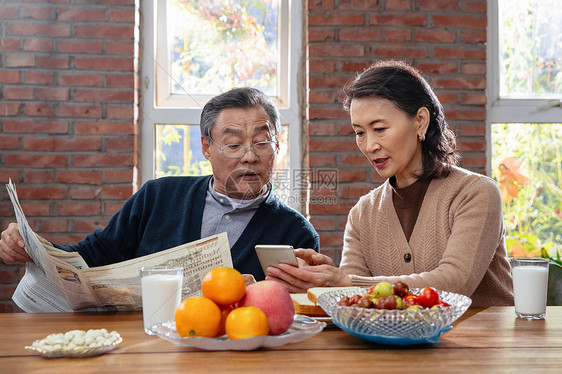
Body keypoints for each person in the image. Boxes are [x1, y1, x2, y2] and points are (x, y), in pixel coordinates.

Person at [0, 87, 320, 282]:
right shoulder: (158, 196)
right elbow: (95, 254)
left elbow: (291, 313)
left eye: (262, 142)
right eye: (233, 145)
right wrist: (36, 249)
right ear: (206, 147)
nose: (250, 156)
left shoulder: (297, 234)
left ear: (278, 147)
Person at [267, 60, 514, 307]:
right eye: (360, 133)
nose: (369, 145)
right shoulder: (362, 214)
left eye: (380, 128)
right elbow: (355, 299)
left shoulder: (476, 194)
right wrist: (325, 279)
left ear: (420, 121)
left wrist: (345, 282)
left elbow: (456, 283)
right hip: (394, 345)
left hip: (483, 341)